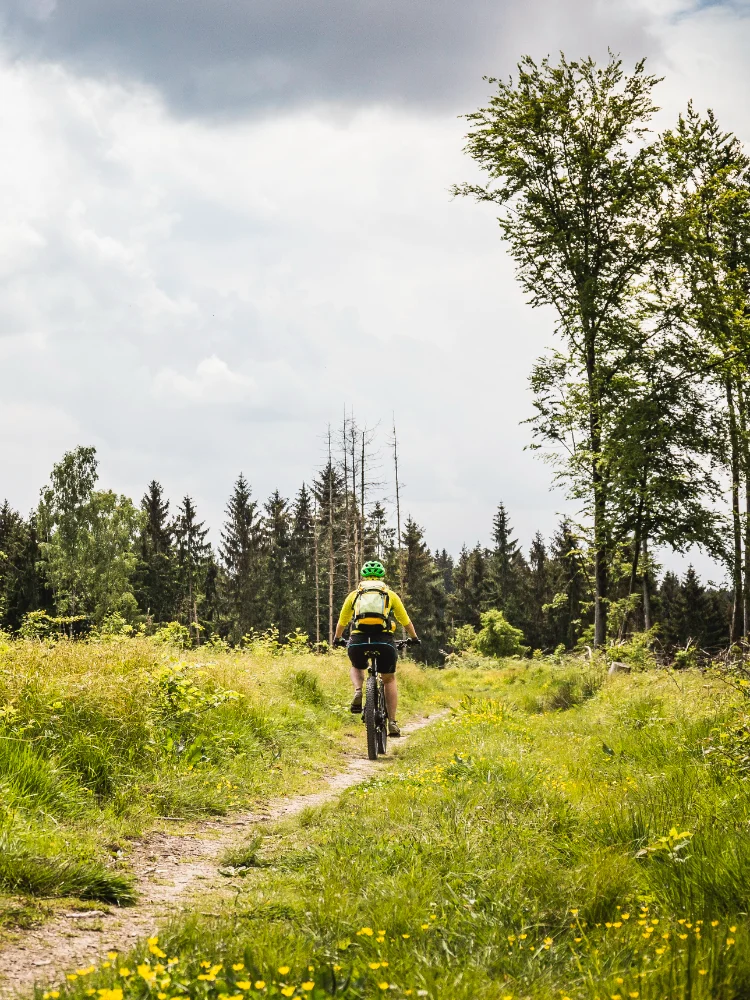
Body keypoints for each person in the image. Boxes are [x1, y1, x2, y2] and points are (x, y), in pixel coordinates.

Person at [334, 560, 420, 737]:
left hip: (358, 641)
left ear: (363, 577)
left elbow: (342, 621)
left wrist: (337, 639)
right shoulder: (389, 594)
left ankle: (358, 691)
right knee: (388, 679)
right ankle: (392, 722)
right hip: (384, 641)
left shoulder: (355, 595)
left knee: (357, 666)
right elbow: (405, 621)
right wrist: (414, 638)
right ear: (382, 577)